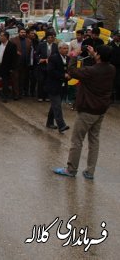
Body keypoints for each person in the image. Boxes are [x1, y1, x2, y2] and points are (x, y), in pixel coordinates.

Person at [53, 45, 116, 179]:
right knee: (94, 140)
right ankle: (89, 171)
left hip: (88, 110)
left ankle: (71, 169)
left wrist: (74, 55)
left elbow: (72, 71)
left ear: (99, 56)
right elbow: (99, 66)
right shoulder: (111, 69)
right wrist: (94, 54)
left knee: (77, 140)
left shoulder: (91, 71)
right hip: (101, 109)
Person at [45, 42, 71, 133]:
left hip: (63, 86)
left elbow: (69, 70)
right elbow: (50, 71)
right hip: (53, 86)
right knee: (57, 105)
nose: (66, 50)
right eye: (64, 48)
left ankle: (49, 122)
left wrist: (70, 75)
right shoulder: (53, 58)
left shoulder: (68, 58)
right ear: (59, 49)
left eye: (67, 48)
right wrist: (63, 75)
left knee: (54, 105)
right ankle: (61, 125)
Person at [35, 31, 58, 102]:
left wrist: (52, 60)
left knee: (49, 81)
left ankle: (47, 96)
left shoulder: (55, 46)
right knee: (41, 81)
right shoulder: (41, 45)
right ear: (46, 38)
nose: (50, 39)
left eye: (51, 38)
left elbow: (57, 55)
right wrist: (39, 59)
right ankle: (40, 96)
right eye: (48, 38)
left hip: (51, 67)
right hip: (42, 66)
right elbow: (36, 54)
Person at [10, 28, 32, 99]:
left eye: (24, 32)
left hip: (25, 63)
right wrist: (15, 52)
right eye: (22, 32)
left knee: (22, 79)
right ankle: (15, 94)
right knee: (15, 79)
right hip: (16, 63)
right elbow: (9, 49)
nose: (23, 33)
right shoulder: (13, 40)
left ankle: (20, 93)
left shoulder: (28, 41)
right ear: (18, 33)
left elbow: (30, 52)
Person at [108, 30, 120, 102]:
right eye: (116, 36)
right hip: (112, 66)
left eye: (118, 36)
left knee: (118, 81)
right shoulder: (110, 45)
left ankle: (118, 97)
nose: (117, 37)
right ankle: (111, 97)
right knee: (111, 81)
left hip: (119, 66)